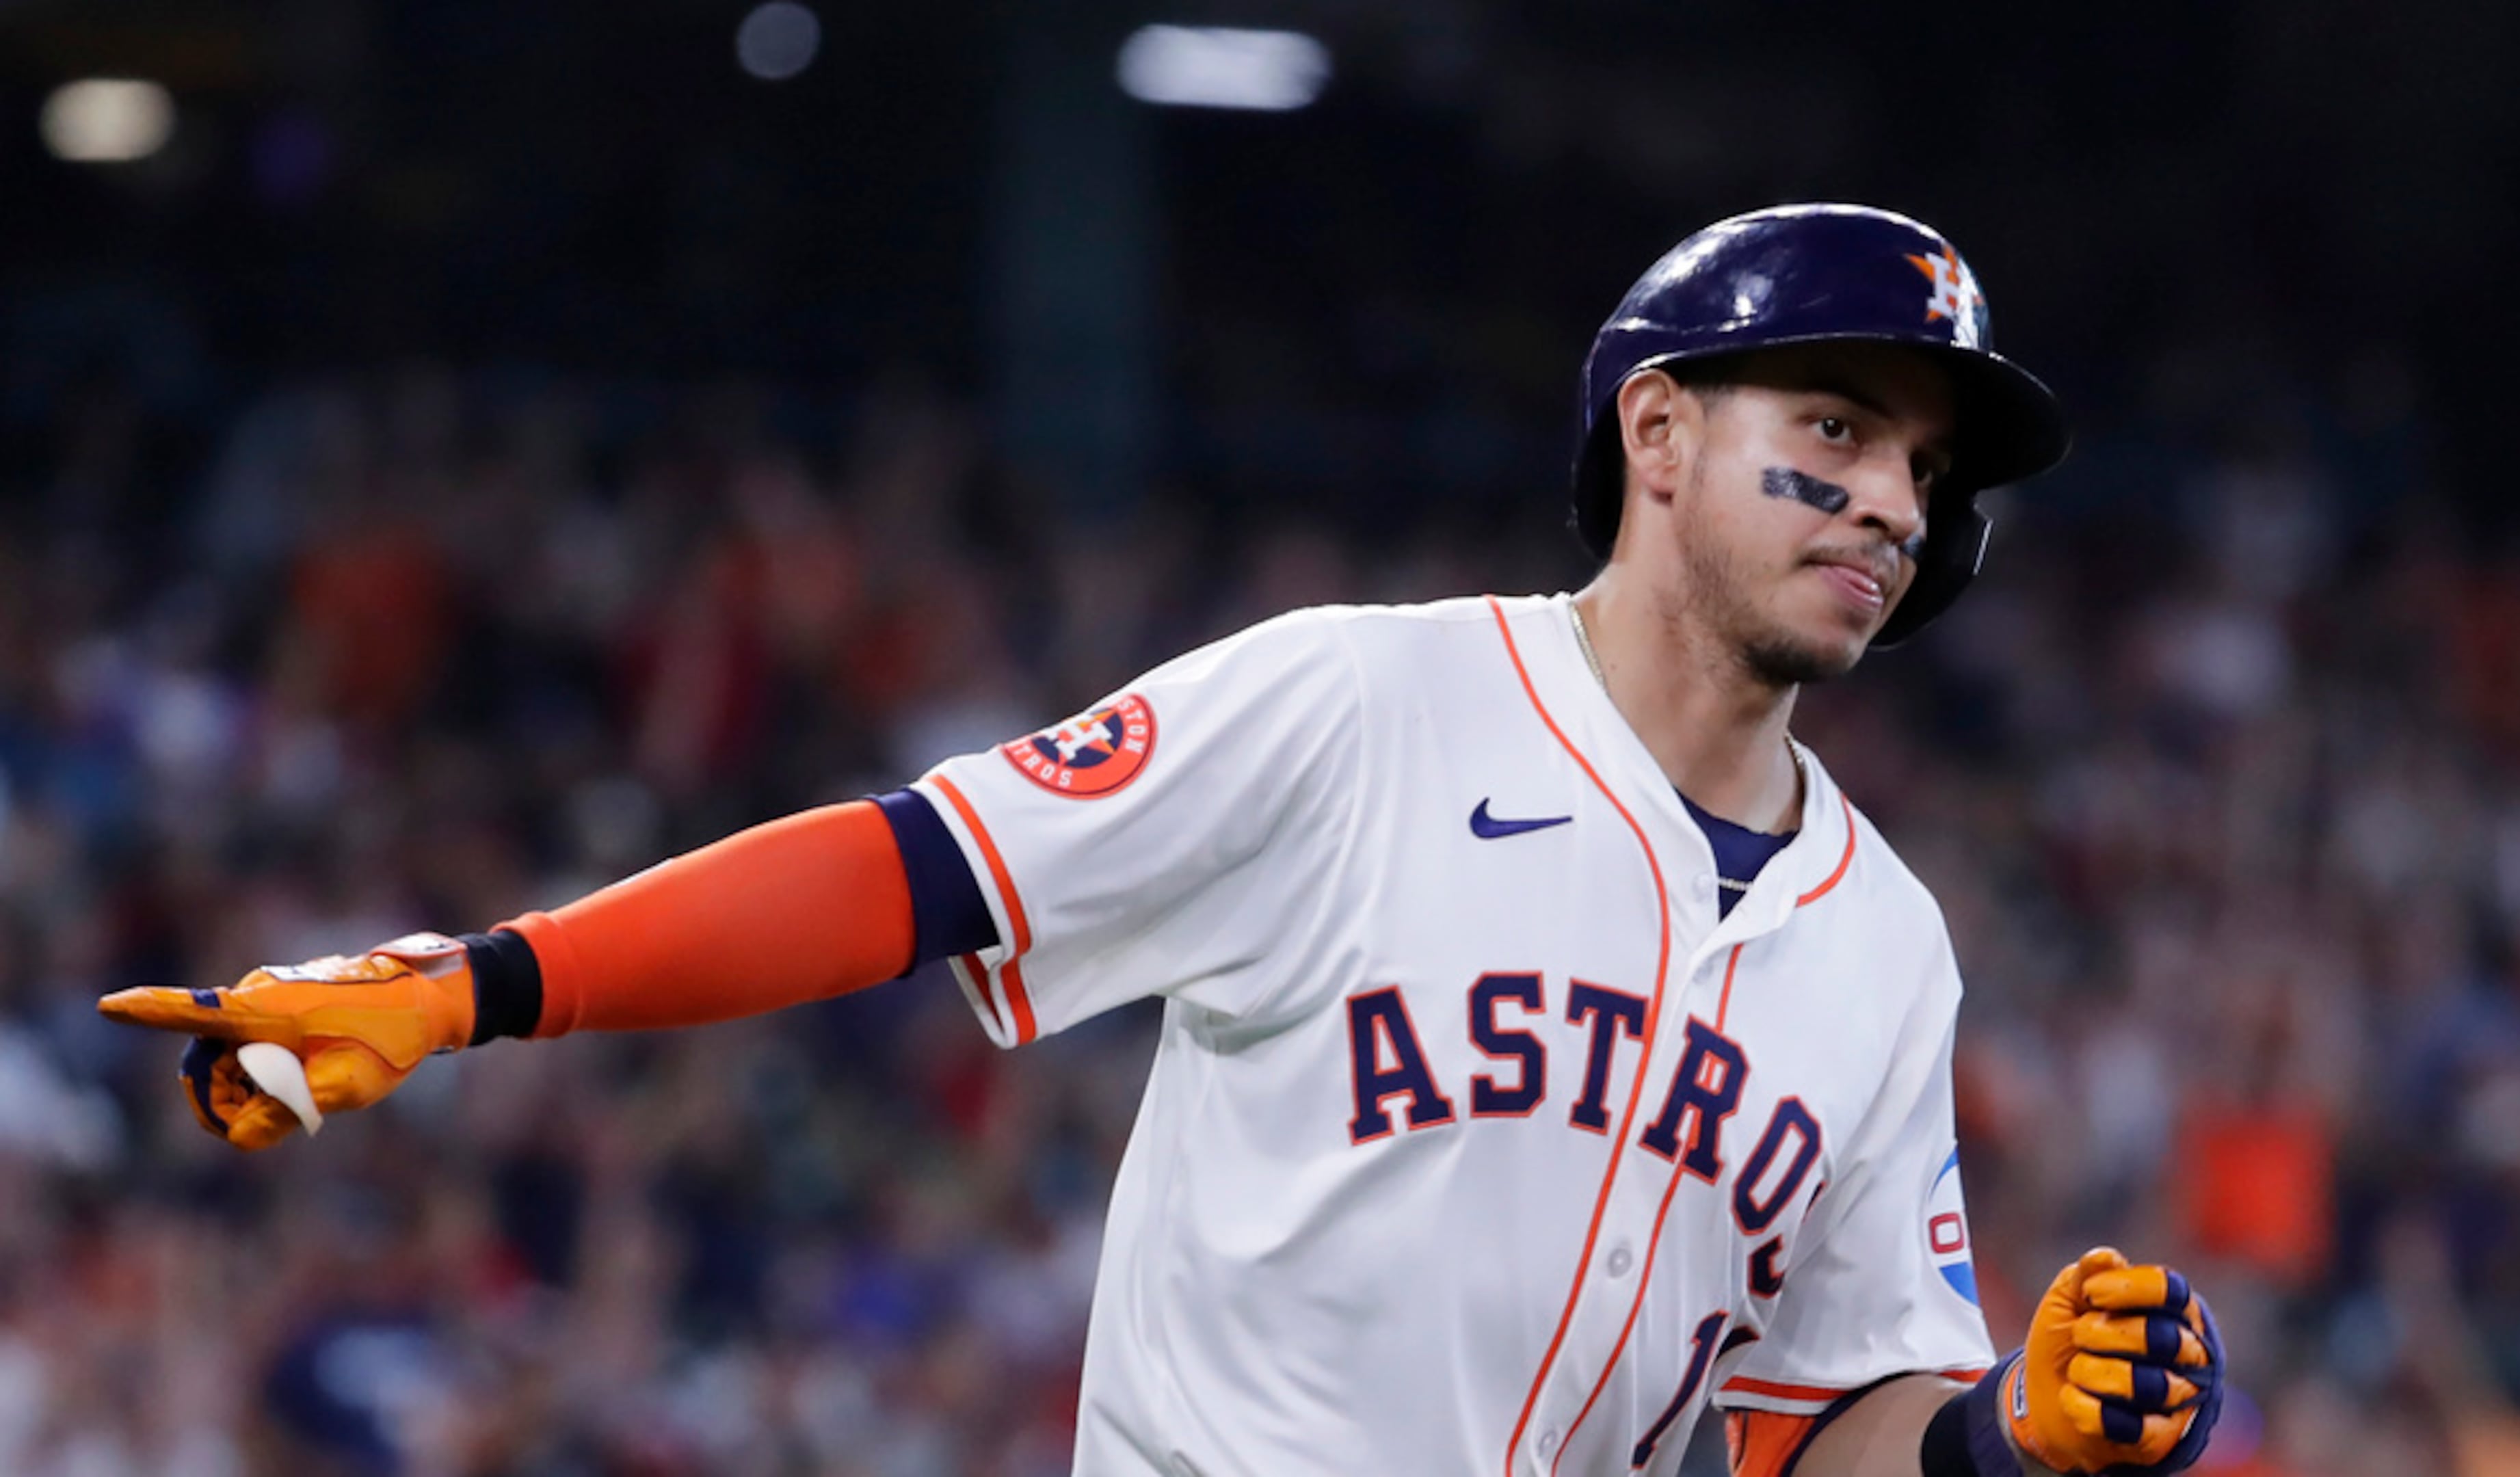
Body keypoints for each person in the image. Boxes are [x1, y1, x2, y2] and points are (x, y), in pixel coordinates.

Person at [103, 204, 2225, 1477]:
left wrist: (2006, 1442)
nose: (1888, 503)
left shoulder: (1892, 943)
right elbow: (920, 870)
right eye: (1833, 431)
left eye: (1926, 472)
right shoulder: (1364, 701)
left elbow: (1808, 1430)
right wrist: (483, 986)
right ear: (1659, 434)